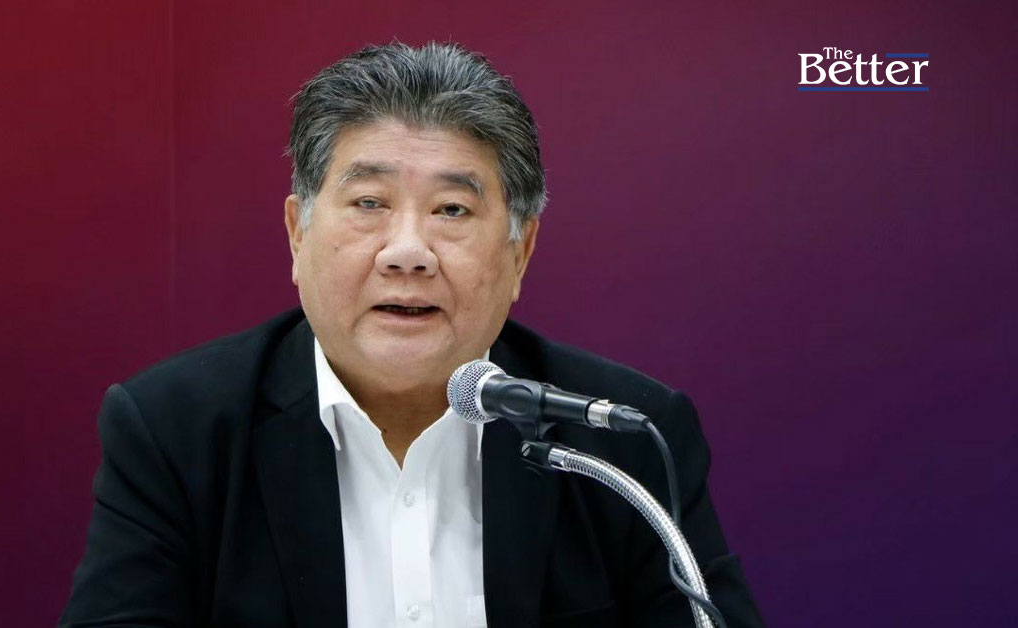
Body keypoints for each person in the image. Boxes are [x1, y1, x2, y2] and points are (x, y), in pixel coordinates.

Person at [59, 41, 762, 627]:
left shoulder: (617, 439)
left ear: (520, 252)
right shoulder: (176, 432)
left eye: (452, 210)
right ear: (298, 234)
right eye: (369, 203)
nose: (407, 251)